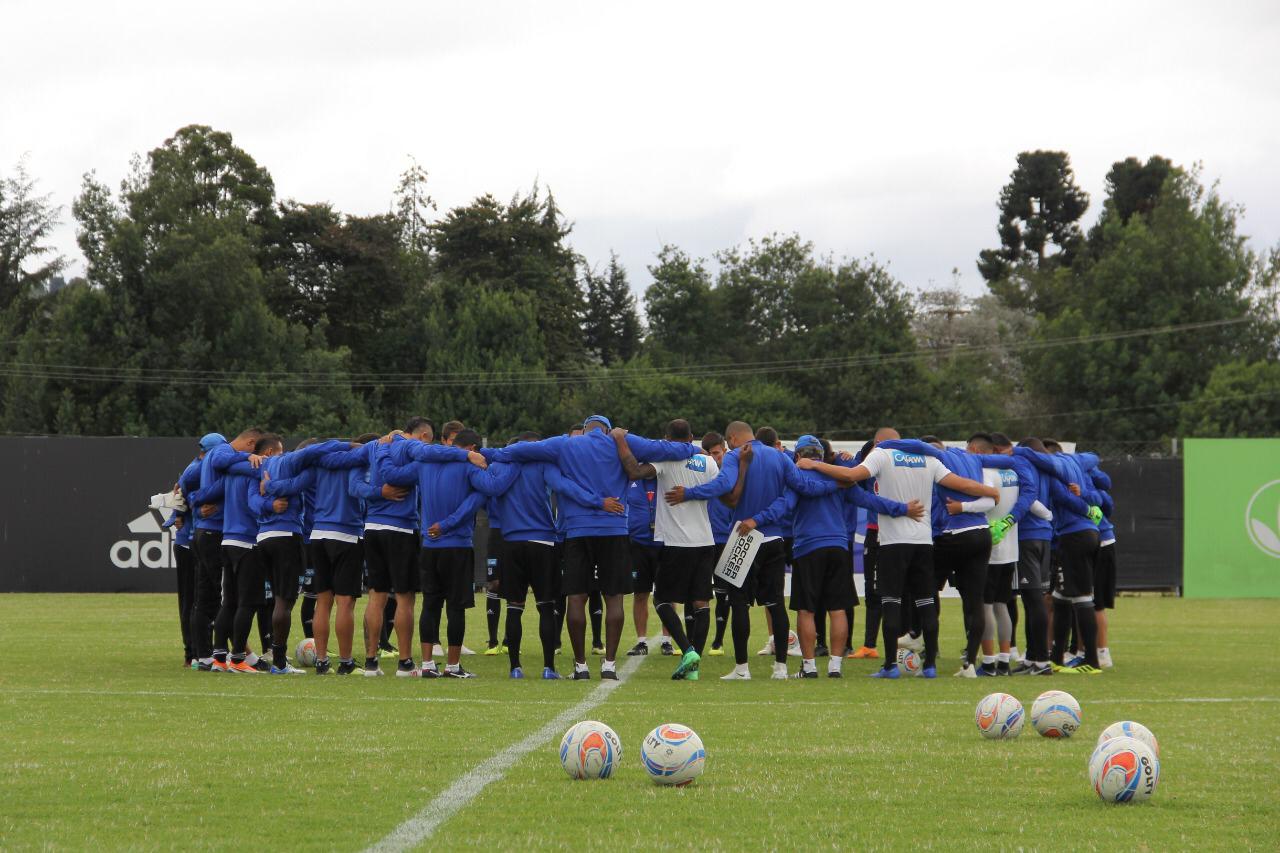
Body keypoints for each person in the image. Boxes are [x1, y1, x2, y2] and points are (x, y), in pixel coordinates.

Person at [485, 416, 697, 680]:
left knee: (576, 597)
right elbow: (664, 449)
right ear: (608, 430)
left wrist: (480, 453)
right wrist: (694, 449)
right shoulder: (622, 440)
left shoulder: (566, 444)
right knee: (613, 597)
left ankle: (581, 667)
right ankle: (609, 665)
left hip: (577, 531)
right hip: (615, 529)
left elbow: (517, 450)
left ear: (584, 429)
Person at [795, 434, 998, 679]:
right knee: (926, 602)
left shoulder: (881, 455)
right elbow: (960, 484)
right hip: (922, 540)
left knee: (890, 602)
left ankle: (888, 666)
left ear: (880, 442)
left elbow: (849, 478)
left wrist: (815, 466)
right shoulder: (928, 458)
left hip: (888, 542)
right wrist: (988, 491)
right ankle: (930, 665)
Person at [670, 421, 832, 681]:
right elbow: (804, 487)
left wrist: (689, 493)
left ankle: (742, 669)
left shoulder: (735, 456)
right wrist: (839, 482)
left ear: (732, 438)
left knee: (739, 603)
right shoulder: (778, 458)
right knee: (776, 603)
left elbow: (722, 485)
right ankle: (781, 668)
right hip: (774, 539)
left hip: (743, 537)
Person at [748, 435, 921, 678]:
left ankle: (809, 668)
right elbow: (869, 500)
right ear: (821, 455)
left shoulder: (798, 478)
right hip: (839, 546)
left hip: (808, 548)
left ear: (798, 456)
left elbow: (783, 507)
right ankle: (835, 666)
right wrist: (903, 508)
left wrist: (756, 519)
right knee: (837, 608)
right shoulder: (840, 477)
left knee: (806, 610)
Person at [489, 431, 614, 678]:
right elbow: (566, 487)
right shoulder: (543, 465)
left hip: (511, 542)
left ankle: (515, 668)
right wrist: (598, 501)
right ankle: (549, 668)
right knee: (546, 607)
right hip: (543, 542)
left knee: (514, 607)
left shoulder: (498, 467)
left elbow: (485, 493)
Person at [381, 428, 501, 678]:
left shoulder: (424, 464)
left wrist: (384, 446)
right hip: (457, 545)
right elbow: (491, 488)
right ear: (473, 450)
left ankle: (426, 665)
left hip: (429, 546)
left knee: (430, 605)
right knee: (455, 607)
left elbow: (392, 474)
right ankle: (453, 666)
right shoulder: (469, 466)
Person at [614, 420, 721, 680]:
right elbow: (718, 489)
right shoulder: (708, 462)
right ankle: (694, 665)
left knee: (661, 600)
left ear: (666, 438)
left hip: (677, 543)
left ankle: (687, 651)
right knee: (701, 602)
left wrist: (619, 441)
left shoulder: (666, 459)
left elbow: (634, 473)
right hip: (705, 541)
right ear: (692, 437)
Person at [1014, 442, 1105, 675]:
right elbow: (1095, 459)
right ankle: (1056, 658)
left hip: (1074, 535)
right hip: (1086, 534)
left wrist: (1085, 507)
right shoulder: (1077, 461)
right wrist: (1088, 499)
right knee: (1060, 596)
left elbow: (1064, 498)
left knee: (1082, 597)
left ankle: (1092, 661)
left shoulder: (1052, 472)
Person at [348, 424, 419, 676]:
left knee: (376, 597)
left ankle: (371, 663)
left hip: (372, 529)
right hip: (400, 530)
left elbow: (354, 486)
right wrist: (381, 491)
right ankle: (405, 663)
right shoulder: (407, 451)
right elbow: (355, 486)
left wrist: (376, 492)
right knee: (404, 598)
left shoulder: (369, 453)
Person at [164, 449, 201, 667]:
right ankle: (192, 652)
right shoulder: (194, 470)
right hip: (188, 544)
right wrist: (176, 517)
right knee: (191, 600)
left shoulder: (199, 468)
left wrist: (176, 516)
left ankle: (201, 651)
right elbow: (179, 495)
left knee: (198, 600)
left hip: (195, 543)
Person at [624, 474, 666, 657]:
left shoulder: (666, 478)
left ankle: (667, 641)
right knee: (640, 593)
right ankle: (641, 641)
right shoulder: (630, 480)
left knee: (666, 594)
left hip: (663, 543)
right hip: (638, 545)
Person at [700, 432, 734, 656]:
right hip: (701, 539)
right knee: (698, 591)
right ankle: (695, 641)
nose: (713, 458)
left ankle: (718, 641)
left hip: (726, 539)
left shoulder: (733, 471)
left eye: (716, 453)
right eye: (709, 454)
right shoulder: (700, 472)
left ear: (724, 450)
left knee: (724, 592)